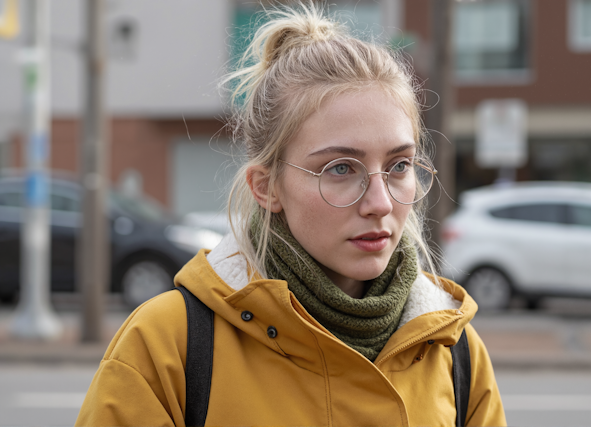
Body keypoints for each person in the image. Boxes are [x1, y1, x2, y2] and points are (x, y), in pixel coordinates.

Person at [76, 3, 506, 426]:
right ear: (267, 187)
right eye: (341, 168)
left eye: (399, 166)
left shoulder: (456, 351)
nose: (380, 202)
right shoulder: (168, 345)